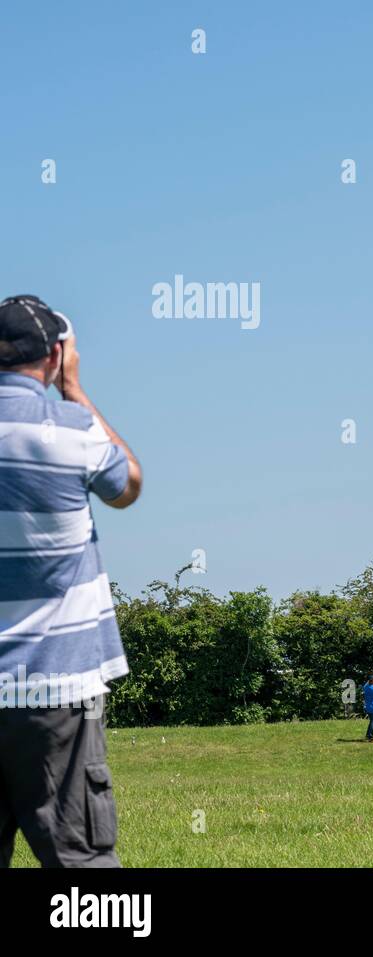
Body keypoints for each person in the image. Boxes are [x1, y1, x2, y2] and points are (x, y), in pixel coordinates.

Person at [0, 296, 143, 868]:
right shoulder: (73, 430)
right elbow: (127, 485)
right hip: (55, 690)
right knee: (80, 864)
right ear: (56, 355)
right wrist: (76, 392)